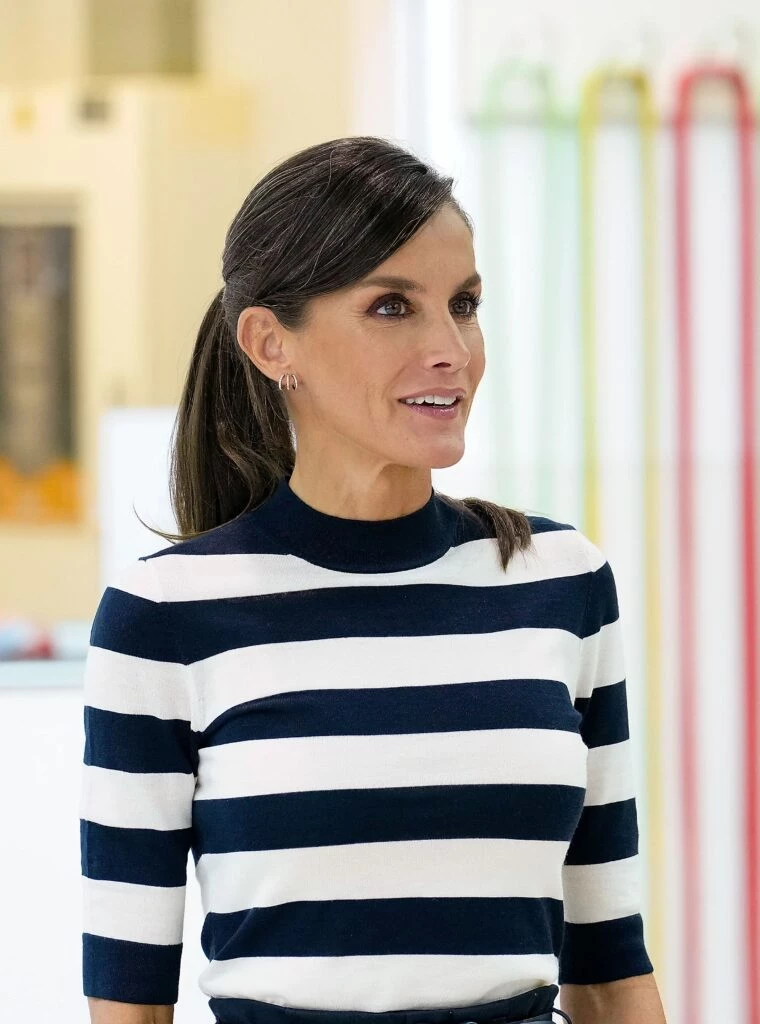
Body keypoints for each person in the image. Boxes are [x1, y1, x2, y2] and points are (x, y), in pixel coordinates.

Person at [79, 136, 666, 1024]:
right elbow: (128, 1001)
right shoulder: (163, 616)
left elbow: (611, 971)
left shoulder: (562, 583)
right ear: (271, 342)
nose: (451, 349)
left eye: (464, 305)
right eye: (393, 306)